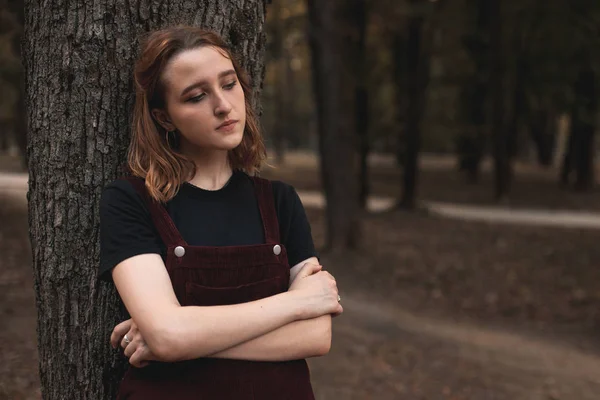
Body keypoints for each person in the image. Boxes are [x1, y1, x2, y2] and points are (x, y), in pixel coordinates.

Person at [98, 25, 343, 399]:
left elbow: (315, 335)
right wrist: (296, 302)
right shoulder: (131, 201)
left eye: (229, 85)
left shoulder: (280, 202)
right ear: (165, 118)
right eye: (196, 96)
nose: (223, 105)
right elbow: (167, 335)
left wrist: (180, 342)